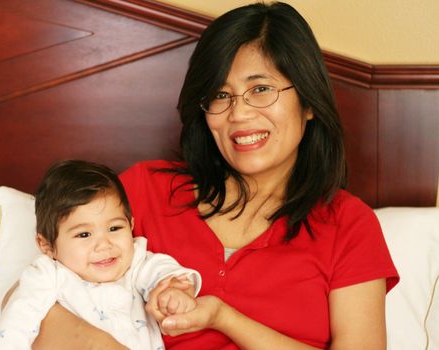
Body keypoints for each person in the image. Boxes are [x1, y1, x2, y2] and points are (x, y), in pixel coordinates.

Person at [30, 2, 399, 349]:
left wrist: (224, 317)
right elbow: (30, 298)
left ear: (308, 104)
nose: (238, 114)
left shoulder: (349, 225)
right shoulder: (143, 191)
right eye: (220, 96)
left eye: (260, 89)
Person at [0, 160, 201, 349]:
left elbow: (160, 269)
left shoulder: (135, 264)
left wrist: (173, 288)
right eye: (84, 234)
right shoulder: (48, 275)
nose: (104, 245)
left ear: (131, 225)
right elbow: (17, 322)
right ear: (47, 245)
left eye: (114, 228)